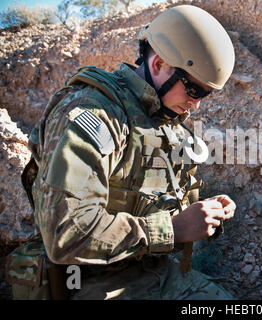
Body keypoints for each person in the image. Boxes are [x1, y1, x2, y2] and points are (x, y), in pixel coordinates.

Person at [13, 5, 236, 300]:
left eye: (206, 94)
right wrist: (172, 229)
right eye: (194, 90)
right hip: (84, 281)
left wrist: (206, 215)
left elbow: (168, 212)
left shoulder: (170, 126)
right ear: (158, 65)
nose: (197, 105)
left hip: (152, 273)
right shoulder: (92, 114)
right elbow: (64, 237)